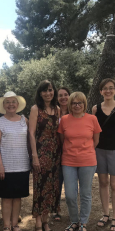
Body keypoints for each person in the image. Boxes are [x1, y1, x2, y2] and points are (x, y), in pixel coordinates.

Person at [57, 92, 102, 231]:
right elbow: (63, 140)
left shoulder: (92, 119)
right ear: (70, 104)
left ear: (84, 104)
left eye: (80, 103)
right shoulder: (64, 120)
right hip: (68, 161)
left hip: (87, 161)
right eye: (74, 103)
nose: (77, 105)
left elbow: (95, 141)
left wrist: (85, 151)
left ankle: (83, 223)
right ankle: (74, 221)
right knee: (70, 195)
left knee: (85, 193)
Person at [0, 91, 30, 231]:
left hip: (22, 165)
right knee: (7, 198)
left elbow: (29, 141)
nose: (11, 104)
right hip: (5, 167)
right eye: (8, 102)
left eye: (13, 102)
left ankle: (15, 225)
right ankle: (6, 226)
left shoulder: (24, 120)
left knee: (18, 197)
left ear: (18, 104)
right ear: (3, 105)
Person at [92, 78, 115, 231]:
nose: (108, 91)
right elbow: (93, 131)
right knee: (103, 183)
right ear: (101, 91)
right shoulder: (95, 109)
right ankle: (105, 214)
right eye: (105, 88)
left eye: (111, 88)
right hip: (99, 150)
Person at [29, 80, 61, 231]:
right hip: (41, 153)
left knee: (51, 188)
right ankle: (37, 224)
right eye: (44, 91)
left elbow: (60, 133)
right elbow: (31, 133)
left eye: (50, 90)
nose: (48, 93)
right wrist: (34, 155)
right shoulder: (36, 109)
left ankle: (46, 221)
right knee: (40, 188)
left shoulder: (58, 110)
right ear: (40, 93)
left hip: (56, 155)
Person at [52, 86, 71, 222]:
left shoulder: (76, 112)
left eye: (66, 95)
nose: (63, 97)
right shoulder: (54, 112)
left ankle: (73, 210)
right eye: (60, 95)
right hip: (55, 152)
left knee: (70, 182)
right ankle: (56, 209)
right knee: (57, 181)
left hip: (71, 152)